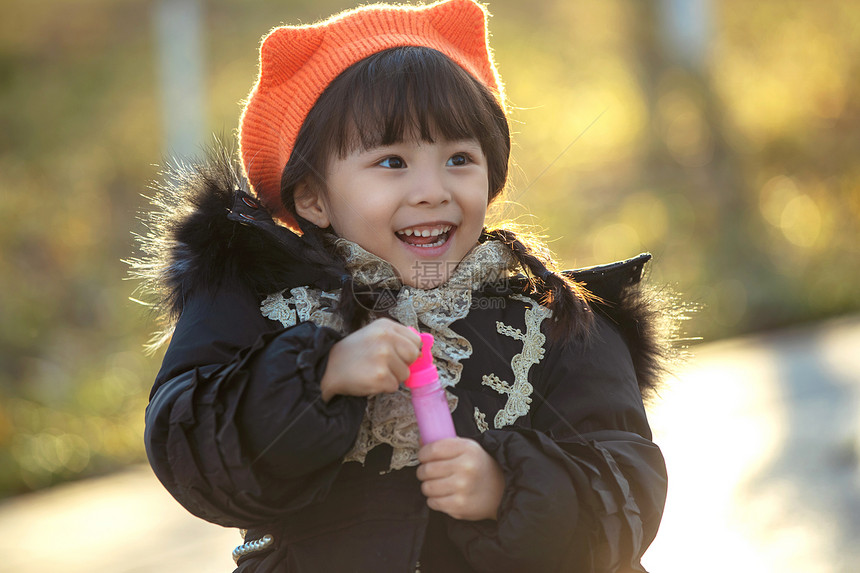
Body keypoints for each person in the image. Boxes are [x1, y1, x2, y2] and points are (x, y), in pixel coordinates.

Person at [133, 0, 670, 571]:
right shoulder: (262, 309)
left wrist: (507, 487)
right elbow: (189, 449)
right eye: (392, 162)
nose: (432, 190)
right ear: (314, 197)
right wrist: (316, 374)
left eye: (459, 158)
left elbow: (628, 488)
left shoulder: (555, 323)